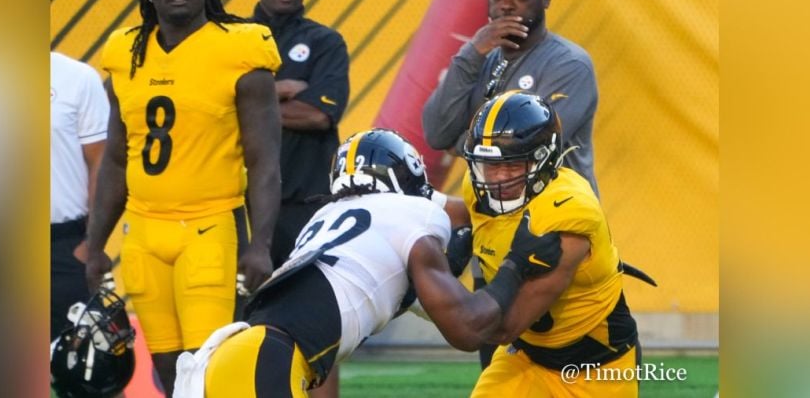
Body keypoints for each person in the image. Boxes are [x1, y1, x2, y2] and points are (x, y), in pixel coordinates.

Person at [171, 128, 564, 398]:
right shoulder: (413, 213)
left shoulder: (329, 219)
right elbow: (465, 329)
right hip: (265, 361)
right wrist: (516, 263)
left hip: (235, 357)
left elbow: (426, 303)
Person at [84, 0, 283, 398]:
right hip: (143, 233)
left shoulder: (240, 47)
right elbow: (116, 157)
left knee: (209, 366)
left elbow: (264, 161)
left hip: (210, 225)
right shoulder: (125, 52)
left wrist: (260, 244)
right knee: (169, 369)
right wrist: (95, 244)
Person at [449, 91, 641, 397]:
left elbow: (502, 328)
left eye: (512, 166)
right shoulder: (477, 187)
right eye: (488, 165)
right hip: (526, 354)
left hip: (594, 366)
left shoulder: (567, 213)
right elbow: (462, 214)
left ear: (543, 158)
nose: (497, 180)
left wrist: (429, 279)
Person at [422, 0, 599, 195]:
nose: (506, 4)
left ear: (546, 0)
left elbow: (529, 148)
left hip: (558, 214)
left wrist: (461, 143)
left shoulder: (569, 64)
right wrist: (471, 53)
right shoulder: (481, 58)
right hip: (496, 208)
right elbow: (436, 134)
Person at [251, 0, 350, 268]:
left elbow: (319, 115)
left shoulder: (325, 41)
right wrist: (280, 90)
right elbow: (211, 104)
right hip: (240, 198)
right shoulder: (234, 38)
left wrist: (247, 104)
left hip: (305, 200)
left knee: (301, 295)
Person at [50, 51, 109, 342]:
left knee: (92, 366)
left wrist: (91, 244)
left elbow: (101, 161)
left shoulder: (77, 78)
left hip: (65, 245)